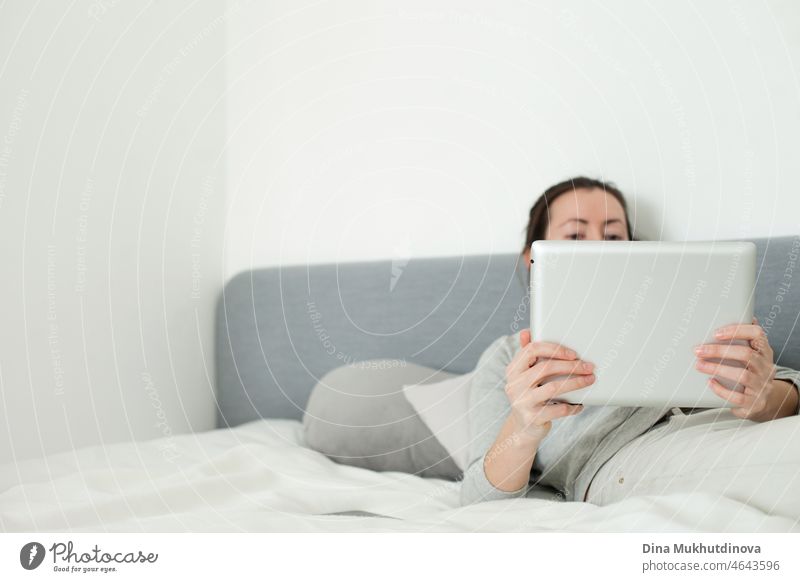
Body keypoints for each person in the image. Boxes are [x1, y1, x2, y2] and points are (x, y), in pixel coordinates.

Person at [459, 176, 800, 511]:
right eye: (575, 235)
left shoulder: (681, 310)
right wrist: (523, 425)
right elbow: (479, 499)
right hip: (629, 456)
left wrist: (765, 395)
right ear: (532, 260)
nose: (600, 248)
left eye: (613, 235)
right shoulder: (508, 356)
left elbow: (790, 388)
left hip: (734, 428)